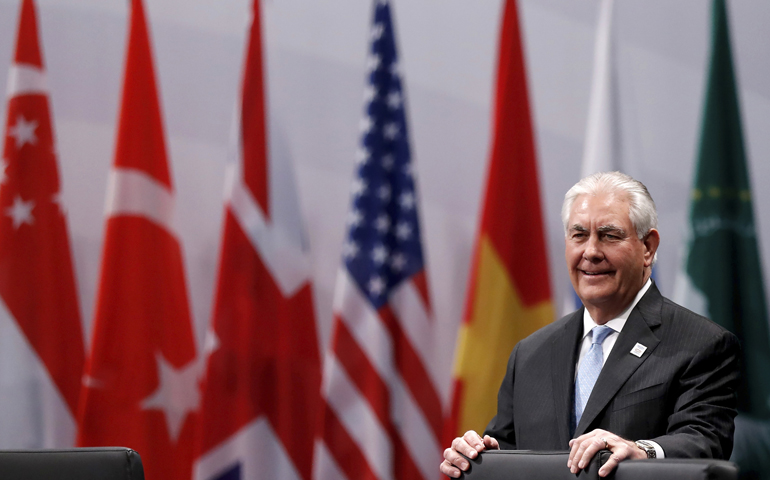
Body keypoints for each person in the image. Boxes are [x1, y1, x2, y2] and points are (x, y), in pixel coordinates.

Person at [440, 172, 740, 478]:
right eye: (579, 235)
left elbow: (705, 441)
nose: (591, 252)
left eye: (610, 235)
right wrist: (476, 458)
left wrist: (642, 451)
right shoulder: (530, 354)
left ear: (647, 247)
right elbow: (510, 450)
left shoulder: (701, 343)